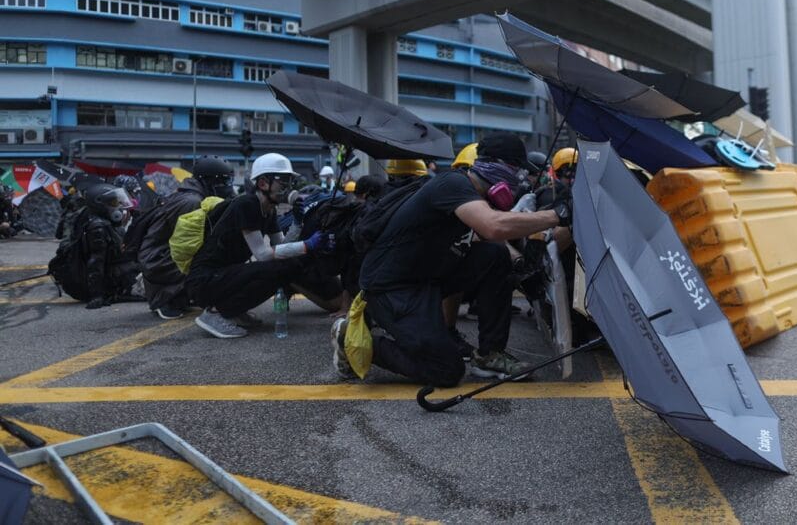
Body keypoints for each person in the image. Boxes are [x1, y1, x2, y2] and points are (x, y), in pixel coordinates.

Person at [336, 133, 571, 386]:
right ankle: (347, 336)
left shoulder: (475, 198)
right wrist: (556, 215)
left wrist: (521, 267)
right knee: (446, 369)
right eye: (517, 171)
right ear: (496, 166)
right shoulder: (454, 185)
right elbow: (493, 227)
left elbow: (493, 242)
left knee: (495, 256)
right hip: (392, 288)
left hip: (425, 276)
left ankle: (489, 355)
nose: (519, 180)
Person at [186, 153, 337, 338]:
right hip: (205, 280)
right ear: (263, 183)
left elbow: (282, 247)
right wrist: (307, 245)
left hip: (225, 276)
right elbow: (263, 255)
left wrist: (297, 223)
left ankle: (232, 311)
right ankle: (215, 313)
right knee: (274, 269)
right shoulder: (247, 204)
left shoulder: (268, 210)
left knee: (288, 267)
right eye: (283, 182)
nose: (288, 188)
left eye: (290, 182)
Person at [137, 156, 235, 319]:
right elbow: (185, 245)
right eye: (223, 182)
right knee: (209, 256)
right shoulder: (192, 201)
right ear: (210, 181)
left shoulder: (195, 196)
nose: (227, 187)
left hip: (160, 255)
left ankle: (181, 296)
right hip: (156, 259)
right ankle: (164, 300)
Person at [78, 183, 139, 309]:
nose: (118, 206)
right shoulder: (98, 227)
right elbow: (95, 262)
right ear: (100, 205)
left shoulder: (109, 223)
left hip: (124, 273)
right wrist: (97, 295)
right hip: (118, 281)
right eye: (113, 203)